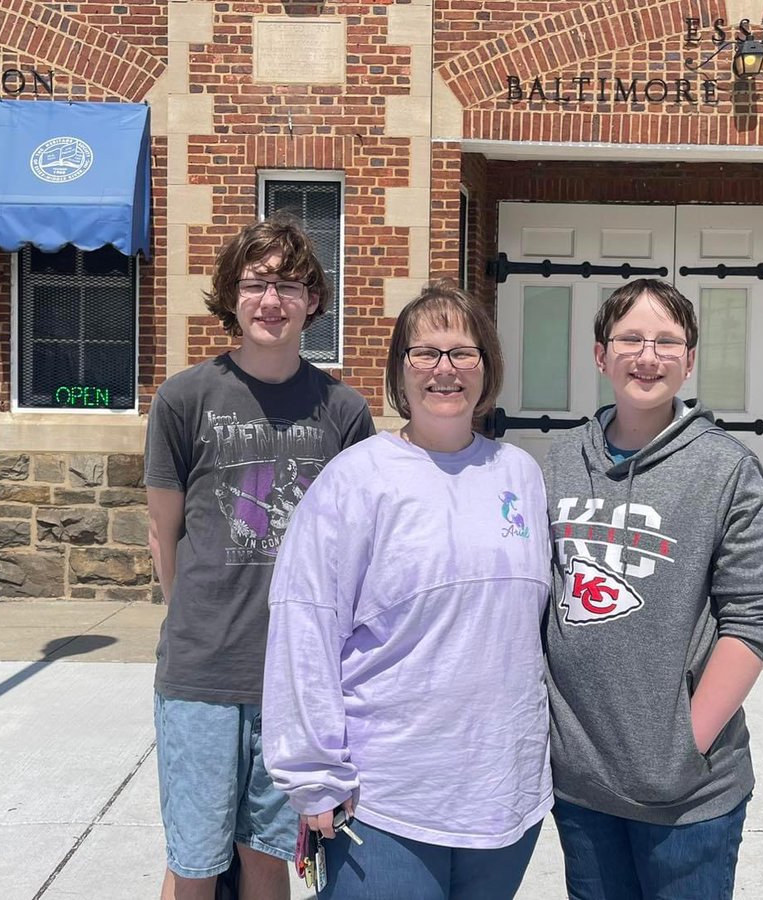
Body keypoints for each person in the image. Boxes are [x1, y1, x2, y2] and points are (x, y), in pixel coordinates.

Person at [262, 281, 552, 900]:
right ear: (399, 368)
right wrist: (315, 776)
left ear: (487, 366)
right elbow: (304, 625)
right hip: (387, 799)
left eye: (463, 352)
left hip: (503, 798)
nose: (444, 370)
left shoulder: (520, 475)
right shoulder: (357, 479)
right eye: (425, 353)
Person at [145, 215, 374, 900]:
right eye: (256, 284)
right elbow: (165, 534)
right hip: (202, 673)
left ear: (313, 301)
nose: (271, 300)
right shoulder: (184, 398)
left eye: (289, 285)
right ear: (231, 297)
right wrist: (202, 623)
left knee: (268, 858)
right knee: (194, 860)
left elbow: (358, 547)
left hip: (298, 680)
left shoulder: (343, 410)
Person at [542, 279, 763, 900]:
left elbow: (755, 616)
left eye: (666, 342)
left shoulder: (725, 468)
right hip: (581, 787)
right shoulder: (556, 464)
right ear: (600, 355)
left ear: (689, 361)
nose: (647, 356)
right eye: (629, 339)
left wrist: (685, 745)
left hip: (689, 798)